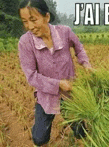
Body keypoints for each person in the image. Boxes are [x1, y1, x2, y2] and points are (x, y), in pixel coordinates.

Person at [17, 0, 92, 146]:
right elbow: (31, 76)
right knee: (39, 138)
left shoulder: (64, 32)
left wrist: (86, 64)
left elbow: (79, 48)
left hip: (71, 93)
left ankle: (80, 141)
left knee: (80, 130)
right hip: (46, 95)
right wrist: (58, 84)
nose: (30, 26)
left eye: (33, 20)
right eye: (25, 21)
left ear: (47, 17)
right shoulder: (25, 42)